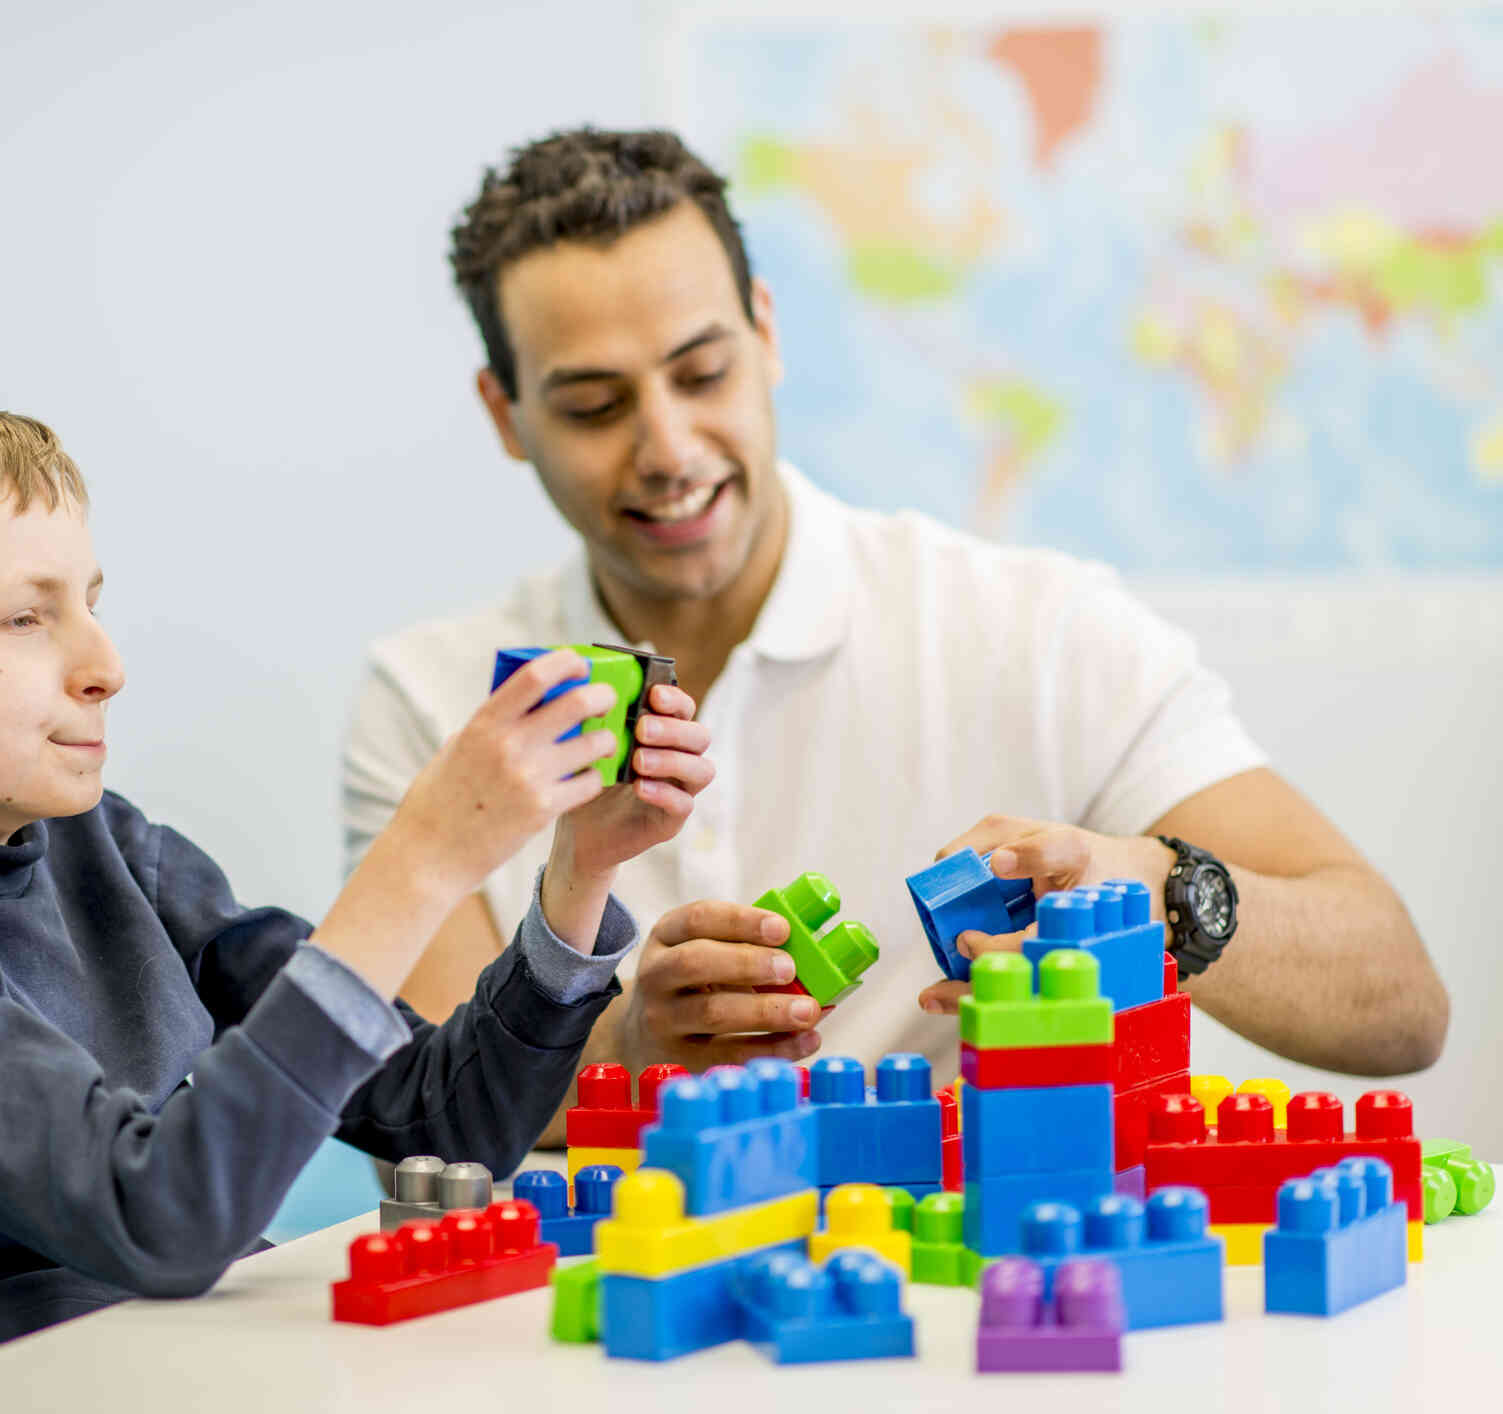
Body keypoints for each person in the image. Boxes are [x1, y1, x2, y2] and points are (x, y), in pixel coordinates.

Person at [342, 128, 1448, 1147]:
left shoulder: (1040, 630)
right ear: (505, 415)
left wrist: (1141, 901)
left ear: (766, 334)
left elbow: (1399, 1002)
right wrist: (625, 1046)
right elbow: (420, 1099)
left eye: (702, 372)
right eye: (592, 405)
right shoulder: (435, 698)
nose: (668, 448)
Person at [0, 386, 715, 1407]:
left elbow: (446, 1125)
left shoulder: (103, 846)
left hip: (147, 1352)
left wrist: (581, 870)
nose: (105, 666)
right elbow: (156, 1216)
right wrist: (422, 861)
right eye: (24, 617)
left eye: (91, 603)